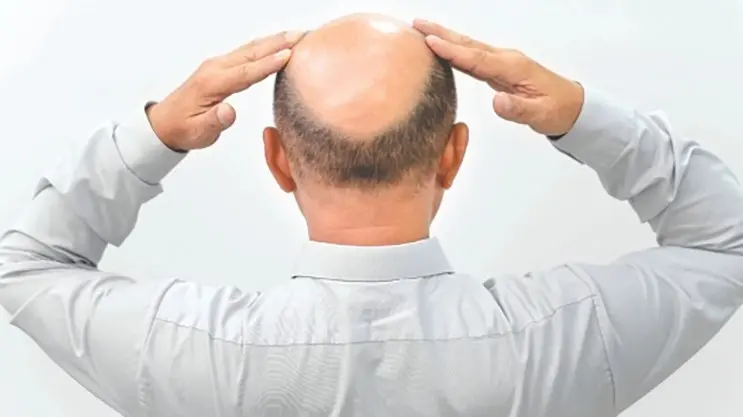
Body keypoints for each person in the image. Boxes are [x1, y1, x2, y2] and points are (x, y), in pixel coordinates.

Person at [1, 12, 742, 417]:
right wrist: (579, 113)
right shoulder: (564, 340)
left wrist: (155, 133)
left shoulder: (191, 350)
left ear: (277, 160)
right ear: (452, 156)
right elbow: (726, 243)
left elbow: (25, 263)